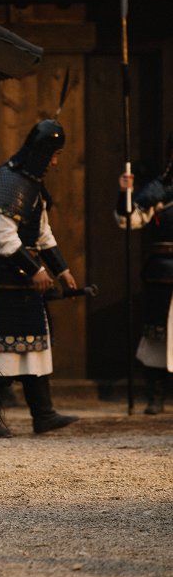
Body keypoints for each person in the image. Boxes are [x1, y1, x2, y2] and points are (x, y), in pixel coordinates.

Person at [0, 119, 80, 437]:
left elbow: (43, 234)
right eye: (55, 154)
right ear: (44, 152)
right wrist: (35, 269)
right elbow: (3, 236)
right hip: (8, 281)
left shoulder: (33, 183)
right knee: (2, 352)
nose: (56, 160)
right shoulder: (10, 180)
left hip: (26, 284)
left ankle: (43, 414)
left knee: (35, 349)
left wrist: (63, 271)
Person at [115, 147, 173, 413]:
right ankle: (155, 395)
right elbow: (128, 220)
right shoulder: (158, 191)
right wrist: (126, 192)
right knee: (157, 334)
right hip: (162, 273)